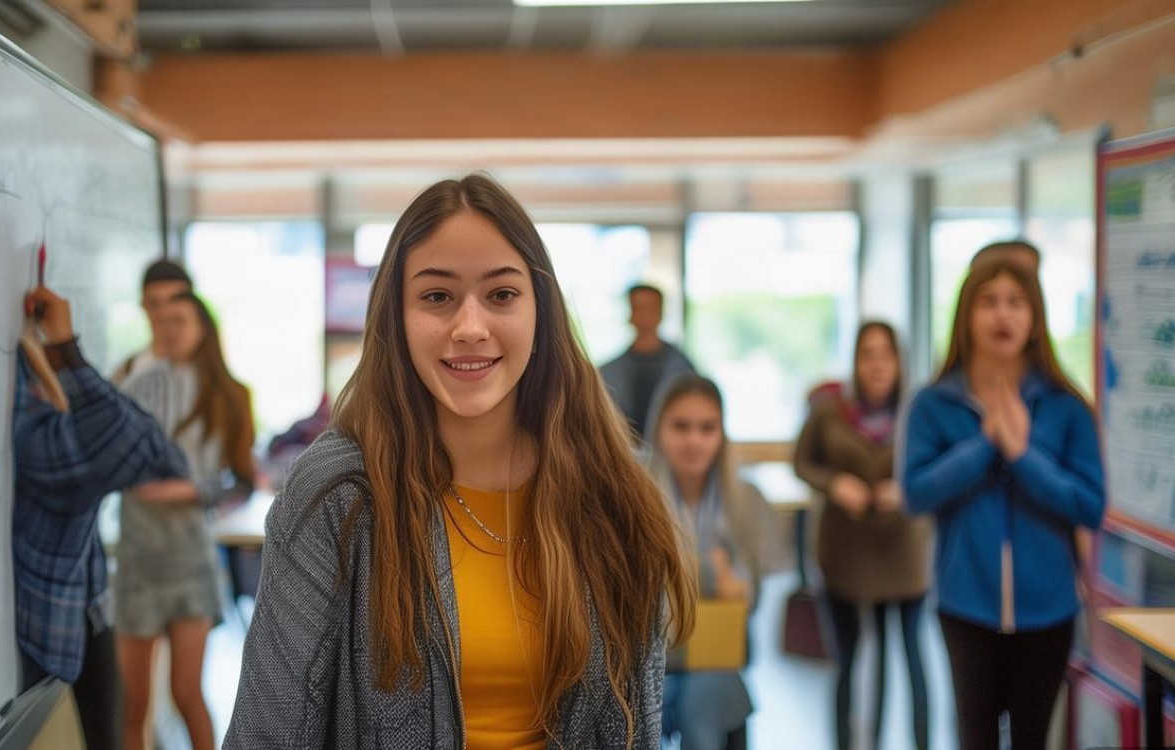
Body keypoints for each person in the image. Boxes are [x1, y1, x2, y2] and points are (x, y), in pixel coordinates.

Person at [222, 174, 695, 749]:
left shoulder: (611, 489)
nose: (470, 328)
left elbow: (635, 728)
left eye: (501, 295)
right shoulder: (339, 493)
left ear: (540, 310)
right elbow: (267, 732)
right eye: (437, 296)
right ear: (395, 316)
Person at [902, 256, 1105, 750]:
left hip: (1050, 608)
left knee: (1033, 738)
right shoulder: (933, 404)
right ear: (966, 316)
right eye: (988, 302)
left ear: (1035, 319)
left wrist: (1021, 454)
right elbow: (915, 494)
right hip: (963, 605)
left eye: (1016, 303)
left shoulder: (1066, 405)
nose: (1002, 315)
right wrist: (984, 445)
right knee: (975, 737)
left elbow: (1090, 505)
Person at [12, 285, 190, 750]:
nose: (162, 321)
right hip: (71, 608)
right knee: (128, 718)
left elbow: (158, 454)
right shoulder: (21, 400)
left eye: (176, 312)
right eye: (153, 307)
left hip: (93, 595)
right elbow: (140, 445)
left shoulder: (38, 374)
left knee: (173, 700)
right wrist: (67, 352)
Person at [117, 292, 257, 750]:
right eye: (158, 319)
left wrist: (186, 490)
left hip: (190, 561)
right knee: (132, 705)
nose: (168, 329)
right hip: (137, 558)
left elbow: (242, 480)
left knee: (186, 693)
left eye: (179, 319)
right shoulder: (130, 379)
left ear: (202, 327)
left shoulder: (225, 394)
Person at [794, 322, 931, 750]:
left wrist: (908, 489)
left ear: (899, 361)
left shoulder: (920, 411)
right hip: (845, 555)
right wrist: (835, 484)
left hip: (904, 554)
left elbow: (941, 469)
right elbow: (802, 462)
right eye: (867, 354)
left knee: (911, 658)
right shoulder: (829, 411)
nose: (876, 364)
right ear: (855, 360)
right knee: (847, 661)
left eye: (885, 354)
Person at [646, 373, 776, 750]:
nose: (694, 441)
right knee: (702, 700)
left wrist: (738, 588)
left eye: (708, 428)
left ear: (723, 433)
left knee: (707, 695)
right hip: (650, 656)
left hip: (718, 654)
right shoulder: (634, 494)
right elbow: (630, 597)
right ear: (659, 429)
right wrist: (708, 574)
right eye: (681, 427)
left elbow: (752, 598)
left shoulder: (745, 499)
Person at [599, 284, 695, 440]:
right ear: (630, 313)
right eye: (638, 308)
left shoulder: (685, 371)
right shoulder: (607, 373)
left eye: (650, 308)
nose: (644, 315)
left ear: (661, 313)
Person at [113, 258, 194, 383]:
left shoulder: (213, 374)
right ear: (143, 305)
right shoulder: (127, 373)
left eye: (174, 302)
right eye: (155, 304)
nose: (165, 313)